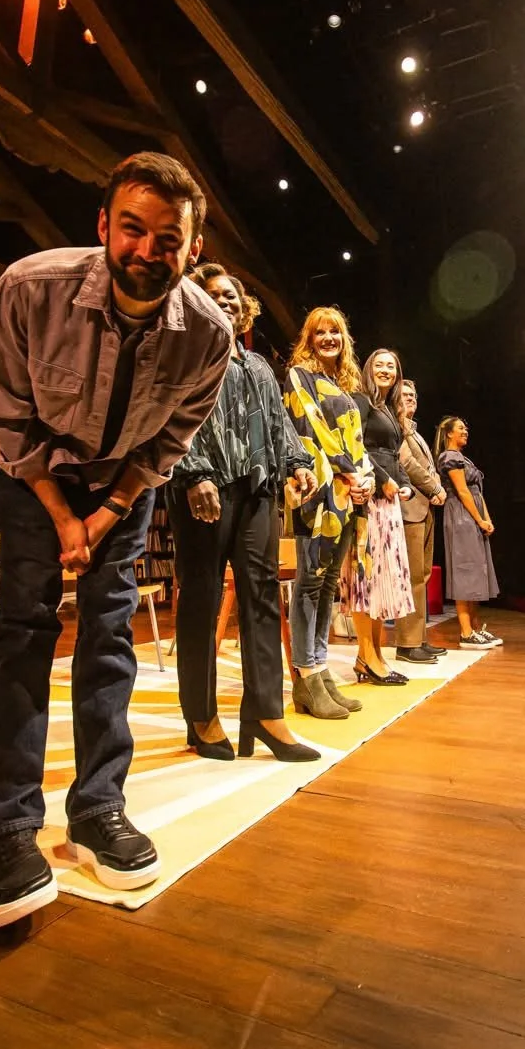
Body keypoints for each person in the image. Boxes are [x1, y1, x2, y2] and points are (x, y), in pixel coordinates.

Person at [0, 152, 232, 928]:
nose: (147, 251)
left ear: (193, 250)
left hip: (123, 484)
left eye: (168, 239)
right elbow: (4, 415)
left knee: (110, 635)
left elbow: (168, 445)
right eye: (132, 229)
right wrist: (61, 516)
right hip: (33, 474)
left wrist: (106, 513)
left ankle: (97, 810)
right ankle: (7, 827)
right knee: (23, 630)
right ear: (104, 226)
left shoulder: (209, 335)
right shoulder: (29, 288)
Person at [167, 267, 319, 764]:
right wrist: (194, 474)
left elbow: (279, 425)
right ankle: (200, 715)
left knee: (262, 598)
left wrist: (297, 463)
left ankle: (265, 713)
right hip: (203, 490)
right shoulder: (182, 354)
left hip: (256, 492)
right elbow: (169, 418)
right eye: (213, 295)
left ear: (244, 306)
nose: (225, 300)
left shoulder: (257, 365)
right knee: (202, 599)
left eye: (231, 294)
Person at [282, 307, 370, 719]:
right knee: (309, 583)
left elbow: (356, 440)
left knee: (329, 583)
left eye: (335, 331)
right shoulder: (299, 375)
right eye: (321, 332)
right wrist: (352, 473)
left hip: (347, 494)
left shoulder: (342, 385)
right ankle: (305, 675)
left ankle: (320, 671)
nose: (329, 338)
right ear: (309, 338)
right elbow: (313, 429)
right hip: (317, 494)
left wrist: (365, 477)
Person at [342, 349, 416, 685]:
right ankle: (367, 656)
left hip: (388, 502)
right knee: (366, 578)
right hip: (368, 498)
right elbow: (355, 447)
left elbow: (393, 456)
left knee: (382, 579)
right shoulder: (361, 400)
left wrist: (404, 484)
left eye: (391, 366)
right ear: (368, 369)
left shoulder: (388, 408)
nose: (385, 370)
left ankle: (372, 656)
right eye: (379, 365)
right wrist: (383, 480)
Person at [390, 377, 450, 665]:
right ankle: (407, 643)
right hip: (409, 508)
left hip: (423, 509)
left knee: (422, 576)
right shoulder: (396, 427)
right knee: (411, 577)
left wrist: (435, 487)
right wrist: (435, 488)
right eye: (404, 394)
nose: (410, 398)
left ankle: (419, 639)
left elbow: (426, 465)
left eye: (413, 395)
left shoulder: (413, 431)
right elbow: (407, 464)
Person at [436, 416, 502, 647]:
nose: (465, 431)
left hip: (472, 515)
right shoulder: (449, 457)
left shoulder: (463, 458)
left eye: (466, 428)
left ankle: (474, 627)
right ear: (449, 433)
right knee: (465, 572)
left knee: (475, 571)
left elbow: (476, 492)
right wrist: (478, 519)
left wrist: (486, 519)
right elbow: (463, 491)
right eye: (460, 428)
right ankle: (466, 632)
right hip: (461, 517)